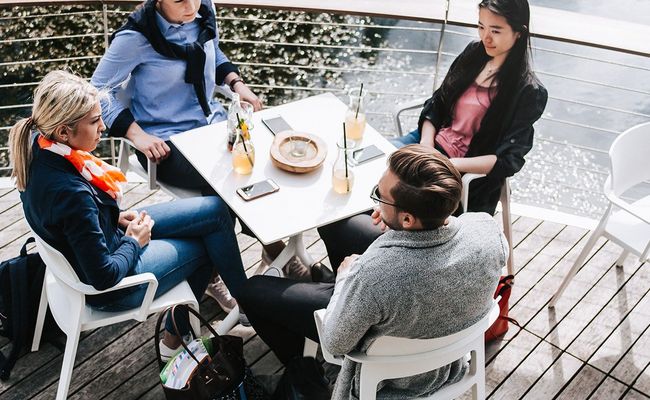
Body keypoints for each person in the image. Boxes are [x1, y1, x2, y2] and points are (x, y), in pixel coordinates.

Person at [238, 145, 507, 399]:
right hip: (444, 335)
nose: (377, 203)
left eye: (381, 197)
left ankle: (308, 376)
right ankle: (337, 294)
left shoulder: (372, 275)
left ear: (408, 219)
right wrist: (400, 229)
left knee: (251, 291)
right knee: (337, 225)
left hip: (392, 371)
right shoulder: (486, 228)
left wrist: (345, 277)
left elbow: (334, 343)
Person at [10, 70, 247, 358]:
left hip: (106, 236)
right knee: (207, 244)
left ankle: (245, 303)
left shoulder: (40, 146)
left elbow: (77, 221)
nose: (103, 128)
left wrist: (115, 218)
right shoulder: (70, 194)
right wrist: (133, 241)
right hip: (117, 286)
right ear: (64, 132)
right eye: (95, 121)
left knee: (217, 209)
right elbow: (104, 277)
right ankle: (180, 333)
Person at [90, 0, 308, 309]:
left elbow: (213, 53)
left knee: (267, 157)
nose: (192, 6)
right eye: (180, 0)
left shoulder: (205, 10)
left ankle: (258, 255)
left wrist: (237, 84)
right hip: (164, 144)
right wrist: (137, 135)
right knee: (227, 183)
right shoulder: (135, 37)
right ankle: (247, 264)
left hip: (213, 129)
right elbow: (97, 92)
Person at [318, 0, 548, 269]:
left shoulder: (527, 91)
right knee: (360, 169)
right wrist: (426, 145)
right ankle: (346, 272)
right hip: (427, 142)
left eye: (496, 30)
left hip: (460, 169)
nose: (485, 37)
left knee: (392, 205)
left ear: (519, 32)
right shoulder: (474, 53)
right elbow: (437, 104)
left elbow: (508, 160)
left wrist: (446, 164)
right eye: (481, 26)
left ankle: (363, 269)